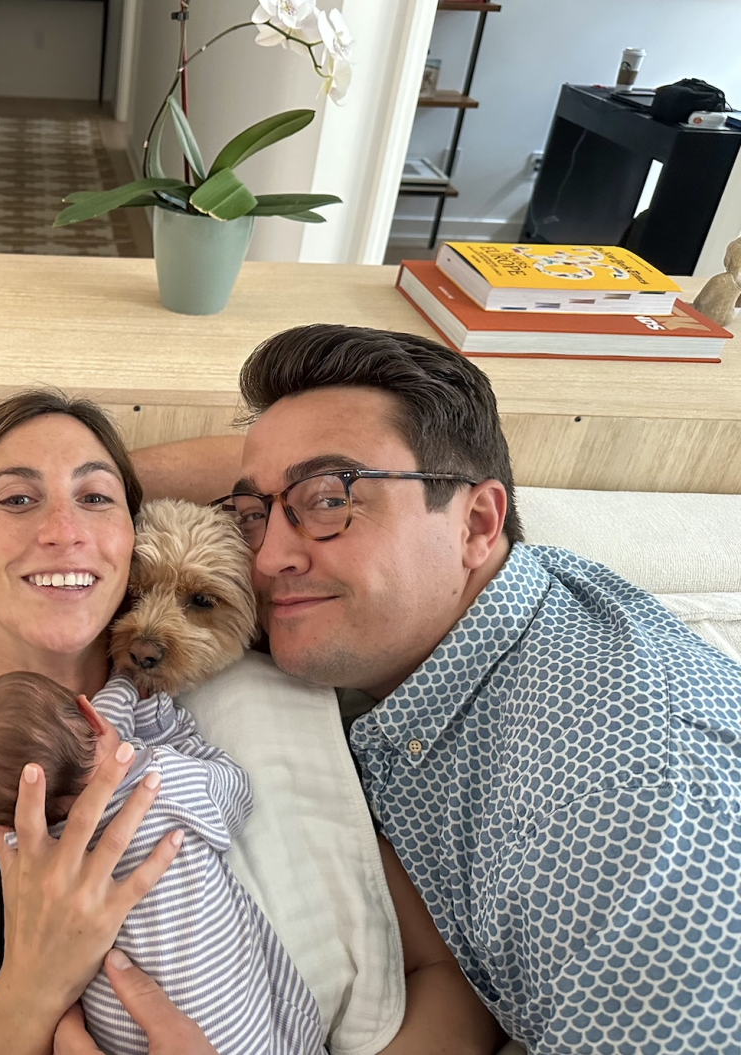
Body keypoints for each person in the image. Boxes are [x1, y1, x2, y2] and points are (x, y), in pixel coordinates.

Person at [0, 388, 503, 1055]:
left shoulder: (254, 729)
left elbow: (452, 977)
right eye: (18, 498)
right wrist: (32, 986)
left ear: (132, 536)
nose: (64, 530)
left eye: (97, 497)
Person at [136, 323, 741, 1055]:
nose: (268, 556)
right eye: (256, 513)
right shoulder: (471, 628)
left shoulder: (616, 813)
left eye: (330, 499)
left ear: (477, 522)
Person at [0, 670, 325, 1055]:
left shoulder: (26, 866)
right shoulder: (164, 782)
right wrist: (167, 733)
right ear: (91, 715)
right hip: (250, 1035)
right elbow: (237, 793)